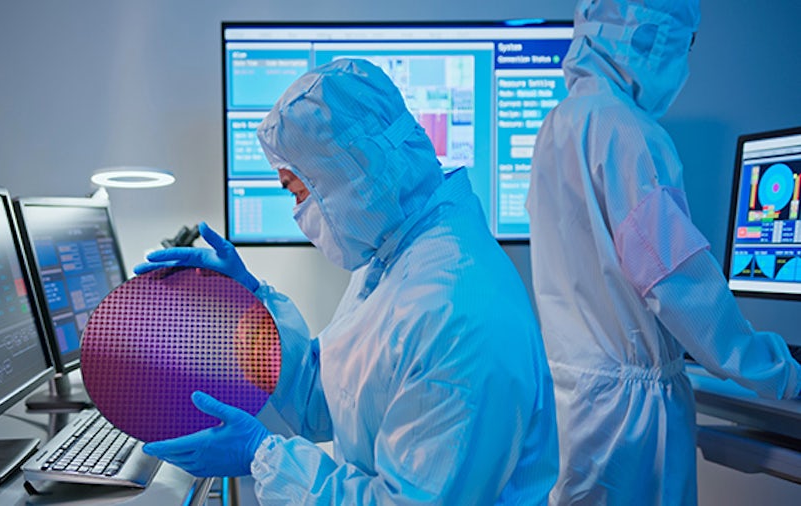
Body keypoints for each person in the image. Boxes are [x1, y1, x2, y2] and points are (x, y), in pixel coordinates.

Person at [135, 58, 559, 504]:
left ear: (348, 177)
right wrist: (251, 305)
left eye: (298, 192)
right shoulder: (394, 258)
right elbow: (330, 399)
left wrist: (262, 455)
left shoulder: (456, 310)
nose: (298, 213)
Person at [525, 1, 801, 505]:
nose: (686, 61)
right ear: (652, 37)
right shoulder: (626, 132)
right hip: (631, 417)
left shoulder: (560, 124)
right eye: (685, 43)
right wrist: (781, 373)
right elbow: (679, 285)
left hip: (582, 401)